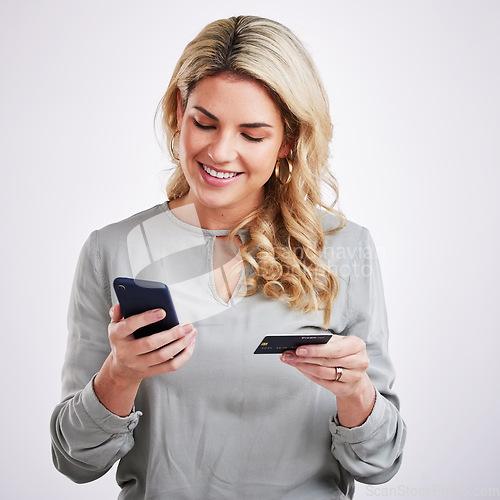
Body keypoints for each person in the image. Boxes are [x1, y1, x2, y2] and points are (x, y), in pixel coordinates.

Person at [50, 15, 406, 499]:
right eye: (205, 123)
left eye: (252, 134)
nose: (220, 151)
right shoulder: (112, 249)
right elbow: (75, 460)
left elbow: (380, 463)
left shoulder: (345, 249)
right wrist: (121, 373)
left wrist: (354, 393)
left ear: (288, 140)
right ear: (180, 110)